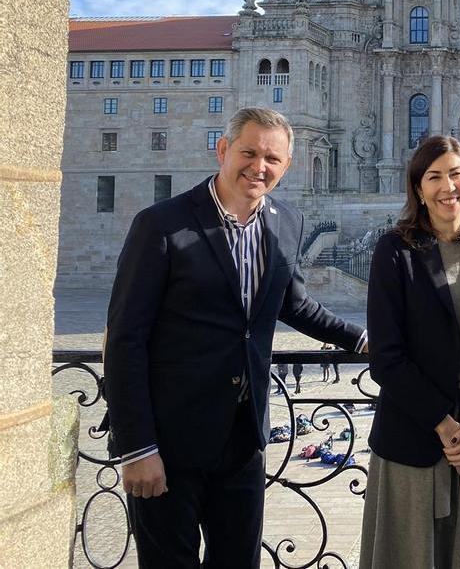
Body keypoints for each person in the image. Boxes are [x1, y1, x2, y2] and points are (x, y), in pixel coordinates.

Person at [103, 107, 367, 567]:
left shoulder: (286, 221)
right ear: (223, 150)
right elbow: (125, 339)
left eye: (273, 158)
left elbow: (295, 304)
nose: (259, 166)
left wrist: (365, 340)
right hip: (170, 441)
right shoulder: (162, 224)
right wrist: (138, 447)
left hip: (244, 439)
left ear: (287, 166)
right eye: (249, 152)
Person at [360, 136, 460, 568]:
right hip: (414, 441)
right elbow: (386, 358)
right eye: (434, 177)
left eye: (456, 174)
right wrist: (444, 425)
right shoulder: (394, 251)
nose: (448, 186)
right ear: (418, 188)